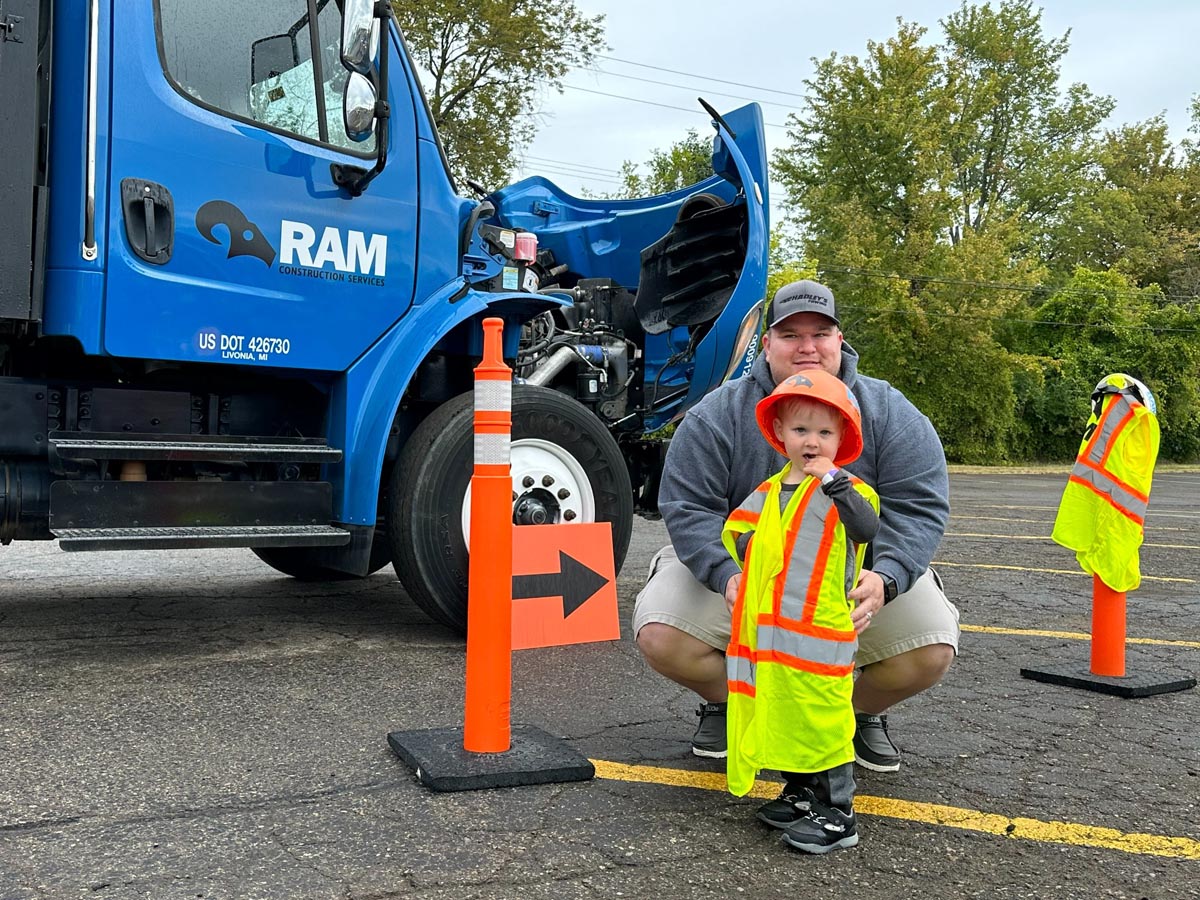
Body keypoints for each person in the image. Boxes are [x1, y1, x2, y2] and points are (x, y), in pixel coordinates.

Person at [633, 278, 958, 780]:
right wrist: (724, 575)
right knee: (662, 632)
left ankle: (848, 714)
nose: (807, 347)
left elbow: (918, 507)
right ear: (767, 346)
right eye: (790, 335)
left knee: (930, 645)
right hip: (746, 580)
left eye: (820, 333)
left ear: (840, 341)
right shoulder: (718, 414)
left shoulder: (889, 411)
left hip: (843, 584)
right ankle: (740, 707)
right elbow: (688, 507)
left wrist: (888, 577)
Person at [723, 369, 879, 854]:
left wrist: (834, 482)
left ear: (842, 439)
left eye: (824, 433)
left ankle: (839, 814)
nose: (812, 442)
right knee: (784, 712)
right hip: (772, 636)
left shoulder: (847, 489)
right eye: (800, 430)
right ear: (780, 434)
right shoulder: (769, 490)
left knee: (823, 719)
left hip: (821, 633)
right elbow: (740, 532)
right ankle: (802, 795)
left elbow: (866, 526)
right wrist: (753, 549)